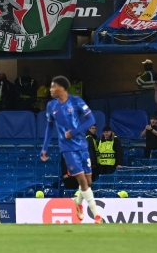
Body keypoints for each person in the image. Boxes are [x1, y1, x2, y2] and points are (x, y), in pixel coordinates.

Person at [40, 76, 105, 223]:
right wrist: (45, 147)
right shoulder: (51, 106)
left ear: (61, 88)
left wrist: (75, 132)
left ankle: (77, 201)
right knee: (82, 179)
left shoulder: (76, 101)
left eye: (52, 87)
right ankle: (97, 215)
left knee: (88, 181)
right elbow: (49, 127)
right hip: (67, 148)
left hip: (82, 145)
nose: (50, 90)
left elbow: (91, 120)